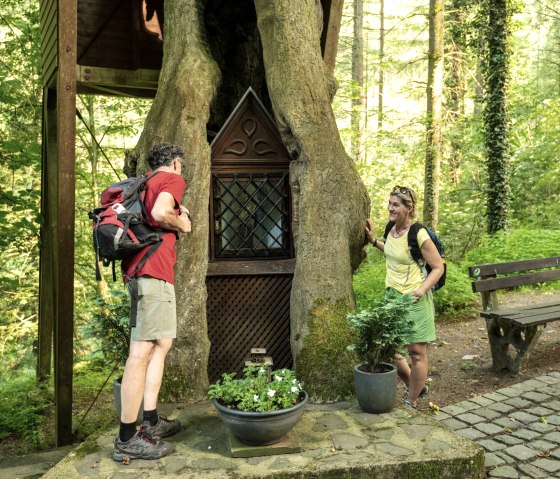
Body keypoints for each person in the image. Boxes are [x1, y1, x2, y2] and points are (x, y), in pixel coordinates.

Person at [113, 143, 192, 461]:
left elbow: (153, 215)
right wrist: (181, 223)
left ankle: (151, 421)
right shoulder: (172, 179)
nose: (181, 170)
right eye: (181, 165)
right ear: (175, 163)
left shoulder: (143, 183)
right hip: (152, 273)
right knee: (141, 351)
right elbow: (160, 213)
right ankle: (127, 438)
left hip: (144, 271)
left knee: (162, 342)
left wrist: (176, 215)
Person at [365, 185, 444, 409]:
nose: (391, 208)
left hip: (415, 298)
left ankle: (411, 399)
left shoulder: (418, 233)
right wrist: (373, 241)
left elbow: (437, 267)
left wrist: (420, 290)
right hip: (392, 296)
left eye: (396, 205)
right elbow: (393, 253)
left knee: (416, 353)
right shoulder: (391, 229)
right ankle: (415, 385)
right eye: (390, 203)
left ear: (409, 208)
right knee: (387, 347)